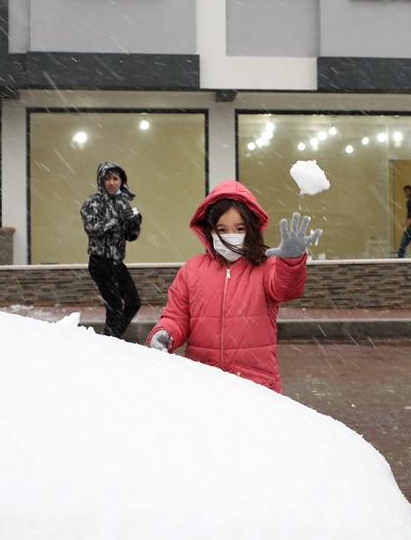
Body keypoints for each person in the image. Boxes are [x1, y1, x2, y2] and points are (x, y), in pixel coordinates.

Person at [146, 181, 322, 394]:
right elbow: (177, 317)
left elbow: (287, 290)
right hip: (203, 382)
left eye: (239, 229)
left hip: (255, 385)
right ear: (209, 231)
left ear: (251, 229)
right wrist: (165, 333)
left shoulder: (265, 265)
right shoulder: (192, 269)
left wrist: (292, 261)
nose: (231, 235)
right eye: (222, 229)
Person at [80, 162, 143, 339]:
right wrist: (115, 221)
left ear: (121, 181)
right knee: (114, 305)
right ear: (101, 180)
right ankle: (110, 343)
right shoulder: (93, 202)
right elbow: (91, 228)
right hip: (100, 262)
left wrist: (135, 224)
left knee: (134, 302)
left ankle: (112, 339)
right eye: (108, 178)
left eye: (116, 178)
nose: (112, 183)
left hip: (117, 262)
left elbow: (131, 236)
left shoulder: (123, 204)